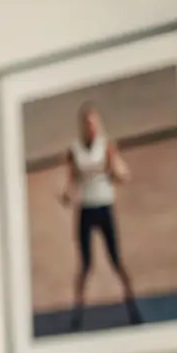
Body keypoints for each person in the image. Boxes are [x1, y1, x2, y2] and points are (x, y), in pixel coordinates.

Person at [57, 101, 142, 331]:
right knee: (85, 265)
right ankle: (77, 314)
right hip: (86, 210)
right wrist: (66, 195)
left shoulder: (106, 147)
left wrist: (115, 171)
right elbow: (71, 182)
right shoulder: (74, 150)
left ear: (99, 125)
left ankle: (132, 306)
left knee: (116, 260)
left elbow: (123, 174)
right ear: (82, 126)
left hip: (104, 207)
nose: (91, 127)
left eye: (94, 123)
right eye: (88, 124)